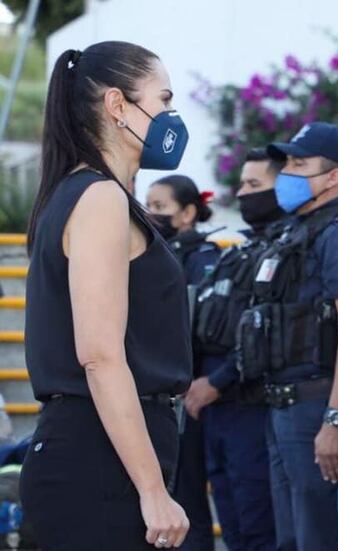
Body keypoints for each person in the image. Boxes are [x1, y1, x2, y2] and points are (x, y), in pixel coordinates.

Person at [20, 41, 192, 549]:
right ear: (118, 106)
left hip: (102, 450)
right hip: (98, 457)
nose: (171, 116)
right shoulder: (98, 198)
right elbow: (99, 356)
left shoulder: (86, 194)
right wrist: (152, 488)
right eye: (163, 100)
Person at [235, 122, 338, 550]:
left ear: (333, 177)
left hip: (317, 405)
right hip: (282, 406)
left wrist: (336, 419)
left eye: (299, 164)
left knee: (323, 535)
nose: (288, 175)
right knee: (292, 537)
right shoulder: (294, 230)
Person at [191, 147, 283, 551]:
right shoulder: (239, 250)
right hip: (216, 408)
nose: (244, 193)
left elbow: (266, 328)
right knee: (231, 522)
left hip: (250, 401)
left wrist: (217, 380)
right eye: (242, 183)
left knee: (258, 521)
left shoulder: (285, 250)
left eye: (255, 184)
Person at [146, 175, 219, 550]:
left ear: (188, 213)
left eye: (160, 207)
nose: (150, 214)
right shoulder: (154, 253)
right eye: (148, 206)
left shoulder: (204, 258)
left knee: (187, 500)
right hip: (156, 394)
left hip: (188, 396)